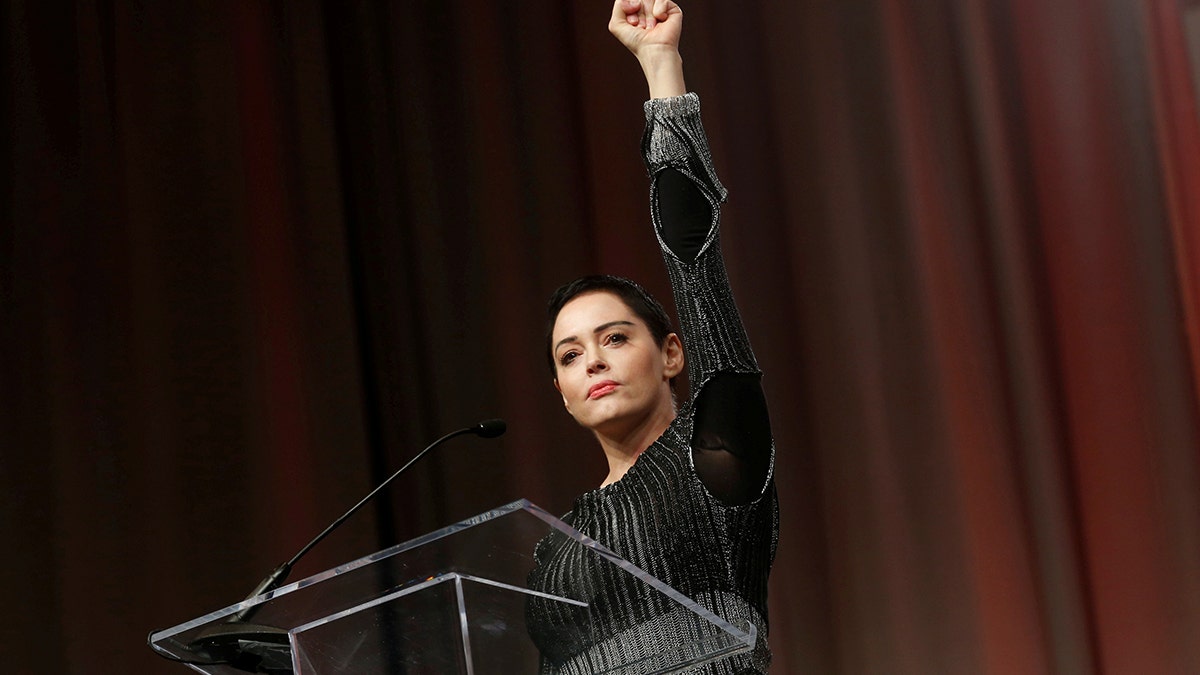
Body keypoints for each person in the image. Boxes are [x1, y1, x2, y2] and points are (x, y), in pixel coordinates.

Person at [526, 1, 778, 673]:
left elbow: (695, 261)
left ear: (671, 352)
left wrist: (660, 67)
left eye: (614, 338)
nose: (594, 362)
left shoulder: (716, 458)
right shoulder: (555, 545)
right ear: (561, 392)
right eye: (571, 355)